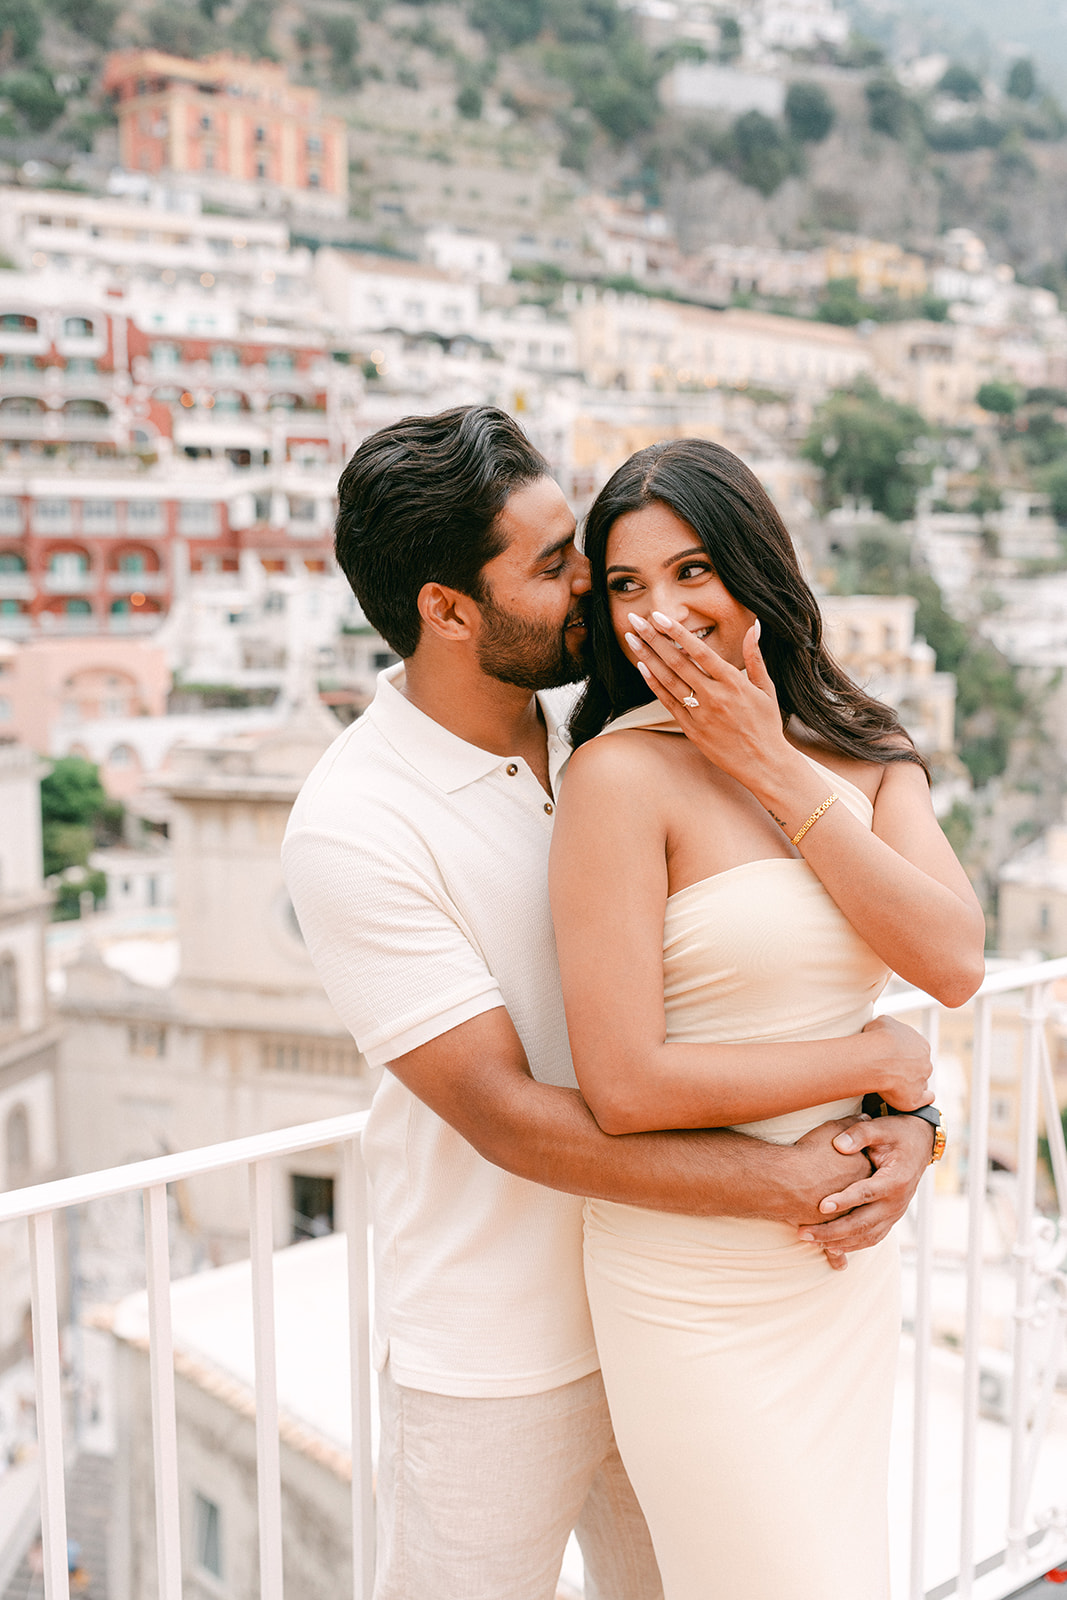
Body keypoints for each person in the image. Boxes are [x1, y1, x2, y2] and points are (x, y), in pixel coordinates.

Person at [282, 405, 941, 1600]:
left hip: (673, 1312)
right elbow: (510, 1114)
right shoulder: (354, 825)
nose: (595, 585)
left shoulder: (596, 734)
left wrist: (906, 1126)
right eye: (552, 566)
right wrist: (791, 1178)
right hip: (502, 1346)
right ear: (445, 611)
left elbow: (761, 983)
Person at [549, 437, 986, 1600]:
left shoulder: (868, 758)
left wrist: (769, 763)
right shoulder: (612, 779)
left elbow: (947, 958)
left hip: (833, 1261)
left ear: (756, 568)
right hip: (688, 1279)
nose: (660, 611)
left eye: (690, 569)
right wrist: (874, 1060)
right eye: (626, 585)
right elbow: (624, 1082)